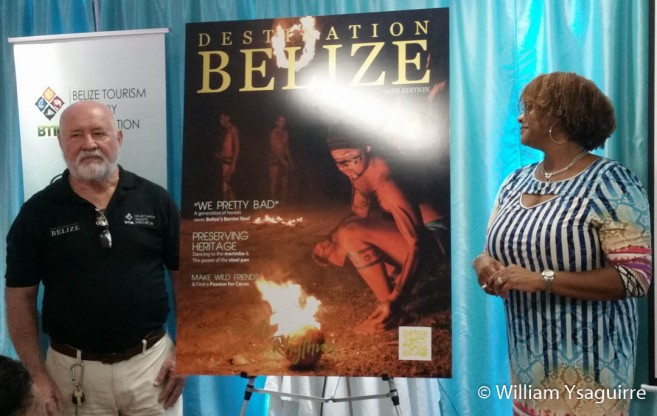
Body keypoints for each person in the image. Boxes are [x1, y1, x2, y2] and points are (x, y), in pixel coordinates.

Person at [472, 72, 652, 415]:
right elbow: (491, 251)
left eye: (531, 108)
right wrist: (483, 264)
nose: (521, 117)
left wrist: (542, 280)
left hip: (591, 371)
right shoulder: (514, 182)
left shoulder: (612, 181)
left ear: (561, 117)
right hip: (528, 366)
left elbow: (635, 279)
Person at [5, 101, 185, 416]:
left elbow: (186, 280)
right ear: (61, 143)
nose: (88, 144)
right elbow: (20, 297)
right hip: (71, 375)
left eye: (99, 133)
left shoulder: (156, 200)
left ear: (119, 138)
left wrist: (186, 353)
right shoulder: (37, 213)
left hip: (153, 371)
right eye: (76, 135)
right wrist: (37, 376)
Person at [322, 123, 448, 333]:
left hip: (436, 242)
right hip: (418, 239)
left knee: (350, 233)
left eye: (349, 159)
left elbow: (417, 244)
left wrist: (396, 299)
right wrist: (330, 241)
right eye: (338, 162)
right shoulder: (359, 171)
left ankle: (391, 311)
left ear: (367, 148)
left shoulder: (386, 181)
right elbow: (359, 215)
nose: (344, 167)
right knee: (345, 235)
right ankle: (397, 285)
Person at [313, 210, 446, 333]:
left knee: (349, 232)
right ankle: (389, 309)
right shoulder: (362, 227)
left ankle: (389, 314)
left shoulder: (353, 223)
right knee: (349, 233)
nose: (319, 246)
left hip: (435, 236)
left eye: (319, 247)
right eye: (321, 254)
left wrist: (393, 300)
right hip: (429, 237)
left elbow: (415, 246)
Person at [268, 115, 294, 202]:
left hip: (284, 156)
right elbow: (273, 147)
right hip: (274, 157)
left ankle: (283, 201)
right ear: (276, 122)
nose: (281, 123)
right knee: (274, 179)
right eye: (280, 121)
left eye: (283, 121)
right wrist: (282, 160)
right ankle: (273, 201)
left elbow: (286, 147)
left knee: (284, 180)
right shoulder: (273, 132)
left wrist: (290, 160)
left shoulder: (286, 133)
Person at [216, 111, 240, 200]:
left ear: (228, 118)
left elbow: (237, 147)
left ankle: (233, 205)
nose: (221, 121)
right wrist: (219, 155)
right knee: (225, 185)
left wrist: (233, 163)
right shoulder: (224, 130)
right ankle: (228, 205)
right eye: (220, 119)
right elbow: (225, 146)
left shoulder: (233, 129)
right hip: (223, 160)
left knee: (227, 184)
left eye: (223, 119)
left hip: (229, 161)